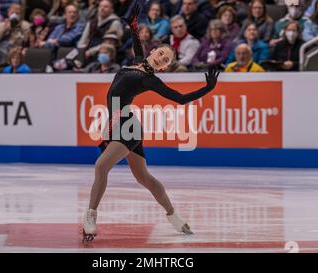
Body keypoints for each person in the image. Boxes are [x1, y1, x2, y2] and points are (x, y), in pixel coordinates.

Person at [82, 3, 220, 243]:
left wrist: (206, 90)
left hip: (127, 126)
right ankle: (173, 215)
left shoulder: (150, 80)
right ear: (153, 52)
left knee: (101, 167)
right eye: (160, 54)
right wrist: (133, 24)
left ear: (164, 66)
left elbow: (179, 98)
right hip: (117, 123)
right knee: (144, 178)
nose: (161, 59)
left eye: (165, 60)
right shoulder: (137, 61)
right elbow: (137, 43)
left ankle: (90, 216)